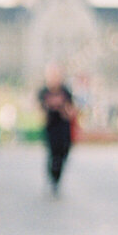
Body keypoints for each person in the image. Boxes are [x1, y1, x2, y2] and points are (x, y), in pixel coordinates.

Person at [39, 65, 77, 194]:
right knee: (53, 154)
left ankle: (57, 176)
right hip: (51, 127)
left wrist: (65, 110)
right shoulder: (44, 92)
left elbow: (72, 109)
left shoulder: (66, 91)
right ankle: (53, 177)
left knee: (63, 153)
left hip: (63, 127)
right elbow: (38, 108)